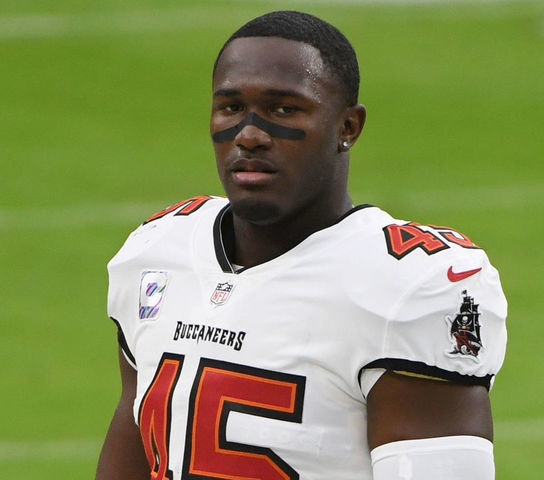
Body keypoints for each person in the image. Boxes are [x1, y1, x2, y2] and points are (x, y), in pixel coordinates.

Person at [96, 10, 507, 480]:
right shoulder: (158, 250)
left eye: (283, 109)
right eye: (230, 107)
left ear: (347, 127)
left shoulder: (409, 286)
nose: (249, 134)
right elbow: (135, 433)